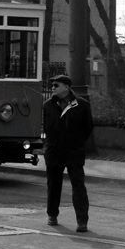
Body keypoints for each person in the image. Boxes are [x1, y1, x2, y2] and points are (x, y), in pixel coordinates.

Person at [43, 74, 93, 232]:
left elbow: (88, 127)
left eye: (56, 85)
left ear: (66, 87)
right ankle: (52, 214)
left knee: (78, 185)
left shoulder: (82, 105)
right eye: (52, 86)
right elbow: (46, 127)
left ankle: (82, 220)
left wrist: (76, 142)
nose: (53, 88)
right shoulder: (48, 105)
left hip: (74, 150)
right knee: (53, 184)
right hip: (54, 150)